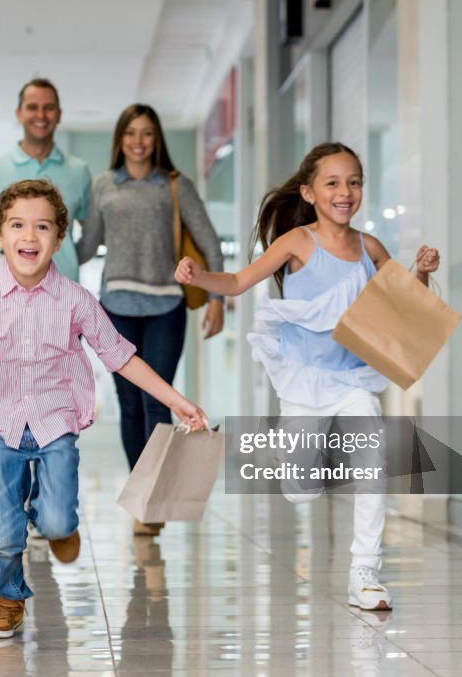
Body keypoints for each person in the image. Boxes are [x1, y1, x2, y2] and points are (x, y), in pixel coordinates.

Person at [0, 179, 206, 639]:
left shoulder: (76, 300)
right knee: (4, 532)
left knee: (59, 519)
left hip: (55, 422)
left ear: (59, 239)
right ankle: (7, 598)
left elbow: (121, 357)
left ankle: (52, 520)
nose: (29, 236)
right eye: (17, 225)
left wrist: (177, 402)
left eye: (42, 227)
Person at [175, 142, 440, 611]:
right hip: (304, 380)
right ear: (310, 192)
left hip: (353, 378)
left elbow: (405, 305)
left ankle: (365, 572)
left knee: (372, 461)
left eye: (354, 182)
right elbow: (238, 282)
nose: (345, 192)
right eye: (333, 183)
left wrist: (419, 272)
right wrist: (199, 278)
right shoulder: (297, 242)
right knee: (299, 488)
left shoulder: (369, 248)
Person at [76, 103, 224, 536]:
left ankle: (153, 497)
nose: (138, 141)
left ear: (156, 139)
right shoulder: (104, 186)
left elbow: (209, 241)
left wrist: (216, 298)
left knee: (157, 402)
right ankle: (144, 496)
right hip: (116, 306)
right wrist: (48, 235)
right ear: (120, 139)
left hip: (165, 307)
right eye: (130, 133)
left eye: (146, 133)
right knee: (128, 405)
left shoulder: (175, 187)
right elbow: (87, 248)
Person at [0, 77, 91, 315]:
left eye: (48, 107)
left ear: (59, 114)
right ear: (19, 113)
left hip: (63, 300)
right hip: (3, 299)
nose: (40, 115)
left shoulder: (78, 171)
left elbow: (90, 232)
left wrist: (68, 258)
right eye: (32, 107)